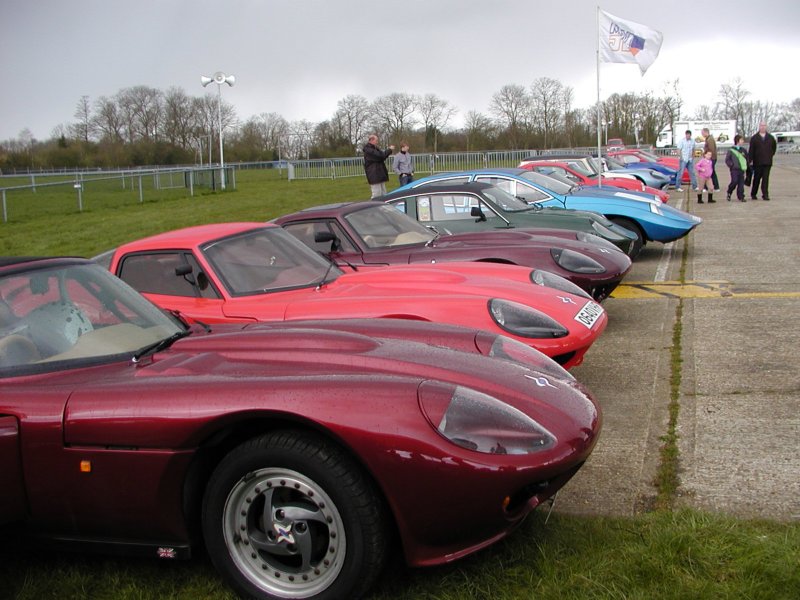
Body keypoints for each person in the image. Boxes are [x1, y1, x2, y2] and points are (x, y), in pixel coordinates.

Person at [748, 122, 777, 200]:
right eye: (761, 126)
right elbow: (751, 150)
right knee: (756, 179)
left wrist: (770, 155)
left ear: (766, 127)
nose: (763, 127)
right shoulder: (754, 138)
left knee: (765, 179)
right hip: (757, 162)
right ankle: (753, 193)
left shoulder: (771, 138)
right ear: (759, 127)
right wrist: (750, 160)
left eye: (764, 126)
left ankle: (765, 194)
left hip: (767, 162)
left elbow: (774, 148)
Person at [362, 134, 394, 198]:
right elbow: (380, 156)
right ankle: (372, 207)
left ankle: (382, 206)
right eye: (376, 140)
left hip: (379, 174)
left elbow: (382, 156)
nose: (377, 142)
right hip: (374, 174)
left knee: (383, 193)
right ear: (371, 140)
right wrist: (389, 150)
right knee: (376, 194)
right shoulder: (368, 150)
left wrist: (388, 152)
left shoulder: (375, 148)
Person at [725, 135, 749, 202]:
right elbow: (727, 160)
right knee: (734, 181)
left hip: (742, 169)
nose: (743, 141)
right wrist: (731, 165)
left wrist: (747, 165)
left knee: (741, 184)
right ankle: (729, 192)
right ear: (737, 141)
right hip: (734, 170)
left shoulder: (744, 150)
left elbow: (747, 159)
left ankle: (741, 196)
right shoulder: (731, 150)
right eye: (741, 140)